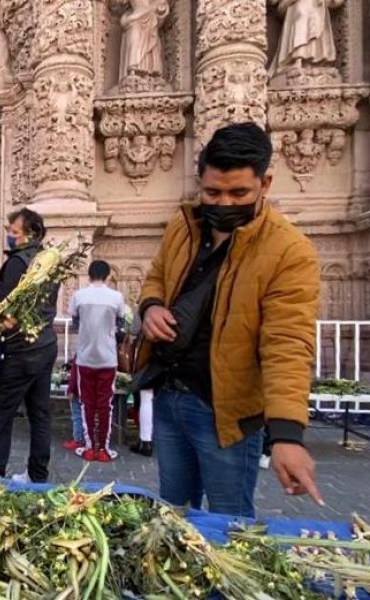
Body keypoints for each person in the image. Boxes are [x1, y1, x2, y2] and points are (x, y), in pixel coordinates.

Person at [133, 122, 324, 518]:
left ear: (265, 183)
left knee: (229, 523)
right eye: (212, 192)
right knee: (174, 517)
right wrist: (151, 307)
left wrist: (288, 435)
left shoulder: (290, 251)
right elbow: (156, 276)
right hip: (170, 395)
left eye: (238, 193)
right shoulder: (183, 226)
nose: (222, 203)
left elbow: (288, 345)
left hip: (225, 412)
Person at [0, 208, 58, 484]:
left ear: (30, 234)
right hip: (46, 344)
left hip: (21, 349)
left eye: (13, 232)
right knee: (40, 413)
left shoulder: (19, 263)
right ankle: (38, 475)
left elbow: (7, 311)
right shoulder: (48, 263)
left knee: (4, 414)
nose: (8, 235)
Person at [69, 260, 125, 462]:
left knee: (87, 404)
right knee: (105, 404)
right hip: (108, 358)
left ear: (89, 275)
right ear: (108, 275)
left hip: (85, 356)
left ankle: (89, 447)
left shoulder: (79, 296)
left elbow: (75, 323)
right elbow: (120, 323)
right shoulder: (116, 297)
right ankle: (104, 448)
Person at [129, 311, 154, 457]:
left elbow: (134, 330)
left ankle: (145, 441)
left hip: (151, 354)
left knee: (146, 397)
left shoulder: (149, 304)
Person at [62, 357, 85, 452]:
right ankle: (86, 438)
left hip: (78, 390)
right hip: (88, 389)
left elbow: (75, 374)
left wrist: (71, 389)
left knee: (77, 415)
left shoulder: (81, 353)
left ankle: (78, 439)